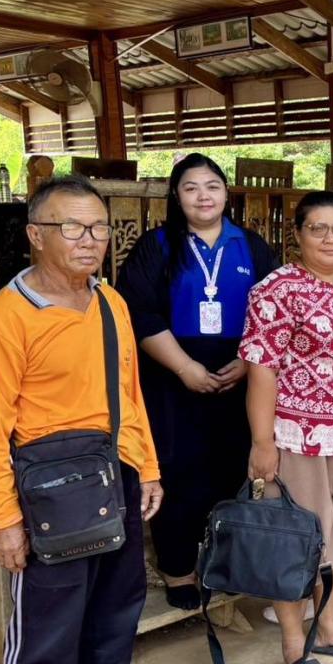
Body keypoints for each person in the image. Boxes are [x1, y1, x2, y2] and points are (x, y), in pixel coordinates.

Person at [0, 176, 168, 664]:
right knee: (46, 633)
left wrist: (147, 467)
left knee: (116, 611)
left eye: (99, 227)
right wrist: (3, 519)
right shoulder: (5, 320)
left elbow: (130, 395)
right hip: (50, 494)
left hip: (116, 474)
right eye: (73, 227)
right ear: (36, 235)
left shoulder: (110, 303)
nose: (90, 240)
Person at [240, 191, 333, 664]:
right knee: (297, 541)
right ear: (297, 235)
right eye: (317, 228)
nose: (330, 238)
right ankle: (292, 643)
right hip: (298, 437)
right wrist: (262, 442)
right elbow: (261, 370)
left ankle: (328, 627)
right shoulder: (276, 290)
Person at [116, 153, 275, 610]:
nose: (203, 196)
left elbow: (273, 310)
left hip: (238, 373)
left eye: (212, 186)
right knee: (177, 471)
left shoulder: (250, 245)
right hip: (172, 374)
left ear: (226, 193)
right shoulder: (157, 245)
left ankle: (221, 561)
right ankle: (177, 569)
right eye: (191, 187)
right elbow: (139, 311)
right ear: (176, 196)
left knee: (229, 470)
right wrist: (185, 368)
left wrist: (247, 360)